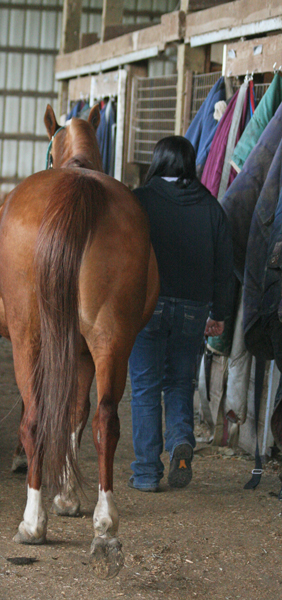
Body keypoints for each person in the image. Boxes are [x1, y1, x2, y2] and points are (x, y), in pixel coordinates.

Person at [128, 136, 234, 492]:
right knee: (179, 382)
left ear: (157, 162)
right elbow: (225, 267)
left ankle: (146, 473)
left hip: (149, 305)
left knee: (145, 386)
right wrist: (219, 312)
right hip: (194, 308)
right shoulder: (211, 207)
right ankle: (181, 444)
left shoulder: (139, 201)